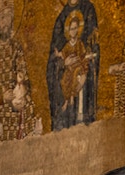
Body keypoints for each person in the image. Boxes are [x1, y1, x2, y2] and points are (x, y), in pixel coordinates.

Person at [0, 0, 37, 142]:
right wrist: (1, 98)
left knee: (29, 108)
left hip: (17, 111)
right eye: (2, 17)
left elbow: (25, 81)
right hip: (0, 114)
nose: (6, 21)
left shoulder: (16, 50)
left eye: (9, 16)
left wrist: (20, 90)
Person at [47, 0, 99, 131]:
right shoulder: (61, 19)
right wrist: (63, 63)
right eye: (71, 28)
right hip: (67, 74)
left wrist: (85, 63)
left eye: (76, 28)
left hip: (82, 73)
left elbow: (93, 48)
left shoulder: (88, 10)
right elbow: (53, 59)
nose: (74, 31)